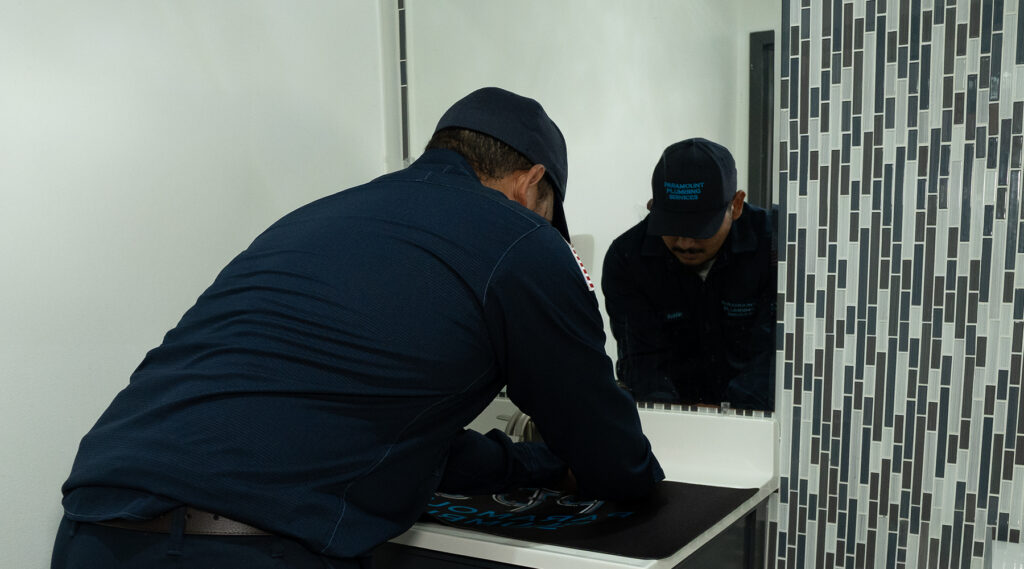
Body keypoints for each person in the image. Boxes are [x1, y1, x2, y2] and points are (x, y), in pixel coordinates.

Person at [52, 87, 664, 569]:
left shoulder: (318, 217)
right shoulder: (524, 241)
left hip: (92, 528)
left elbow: (386, 431)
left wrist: (532, 465)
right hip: (247, 547)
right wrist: (623, 474)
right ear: (531, 184)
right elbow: (604, 445)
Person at [602, 138, 776, 409]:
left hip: (759, 418)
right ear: (652, 207)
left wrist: (730, 416)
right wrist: (676, 418)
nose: (684, 242)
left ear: (736, 205)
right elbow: (643, 364)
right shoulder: (627, 259)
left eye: (700, 228)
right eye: (671, 226)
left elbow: (775, 357)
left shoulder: (776, 247)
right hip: (670, 420)